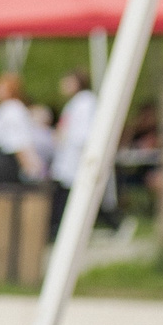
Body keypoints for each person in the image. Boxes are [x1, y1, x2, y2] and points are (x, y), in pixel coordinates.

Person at [51, 70, 98, 234]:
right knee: (67, 191)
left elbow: (83, 132)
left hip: (77, 155)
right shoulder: (75, 103)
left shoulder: (85, 101)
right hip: (68, 155)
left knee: (78, 191)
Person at [0, 72, 39, 179]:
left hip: (7, 162)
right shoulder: (7, 108)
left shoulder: (12, 108)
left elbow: (19, 141)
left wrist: (30, 167)